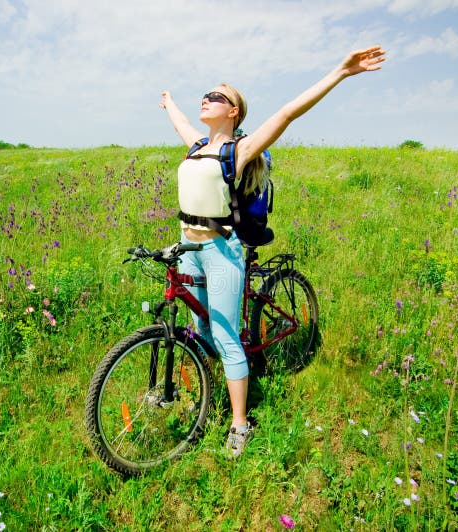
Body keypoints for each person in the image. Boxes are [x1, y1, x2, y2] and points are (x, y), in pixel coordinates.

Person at [159, 46, 386, 457]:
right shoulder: (196, 146)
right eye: (205, 94)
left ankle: (240, 424)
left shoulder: (239, 151)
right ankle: (209, 396)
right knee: (200, 330)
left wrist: (340, 71)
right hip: (189, 250)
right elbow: (178, 121)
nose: (207, 98)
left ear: (233, 113)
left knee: (227, 336)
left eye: (218, 96)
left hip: (220, 251)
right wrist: (169, 101)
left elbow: (287, 112)